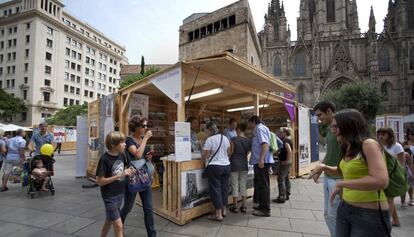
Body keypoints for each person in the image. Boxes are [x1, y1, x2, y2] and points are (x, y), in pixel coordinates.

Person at [310, 109, 390, 237]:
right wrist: (324, 167)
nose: (332, 130)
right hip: (345, 208)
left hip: (368, 213)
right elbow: (342, 171)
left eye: (336, 126)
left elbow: (381, 181)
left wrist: (342, 184)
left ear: (349, 125)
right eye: (332, 127)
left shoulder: (368, 144)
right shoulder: (348, 146)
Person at [119, 117, 156, 237]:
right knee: (128, 207)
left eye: (147, 126)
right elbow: (137, 154)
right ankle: (119, 227)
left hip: (144, 177)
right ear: (136, 127)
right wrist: (146, 138)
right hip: (132, 178)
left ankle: (152, 235)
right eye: (144, 126)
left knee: (149, 208)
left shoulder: (141, 139)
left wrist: (149, 157)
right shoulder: (129, 140)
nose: (146, 128)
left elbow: (143, 157)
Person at [311, 101, 342, 237]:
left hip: (339, 179)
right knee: (328, 215)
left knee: (334, 216)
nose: (319, 118)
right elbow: (330, 153)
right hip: (329, 177)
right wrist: (320, 169)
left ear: (329, 111)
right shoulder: (331, 128)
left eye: (320, 115)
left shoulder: (341, 128)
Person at [96, 131, 134, 237]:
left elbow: (125, 168)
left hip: (119, 194)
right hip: (109, 196)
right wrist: (119, 175)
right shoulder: (104, 159)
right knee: (118, 226)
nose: (125, 144)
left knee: (109, 220)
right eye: (122, 142)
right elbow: (99, 181)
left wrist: (129, 170)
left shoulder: (122, 155)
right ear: (113, 145)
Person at [202, 121, 230, 222]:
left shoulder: (210, 140)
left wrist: (206, 155)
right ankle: (224, 210)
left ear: (209, 130)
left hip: (214, 167)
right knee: (224, 188)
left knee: (216, 189)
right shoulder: (225, 138)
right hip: (226, 165)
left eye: (206, 131)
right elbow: (228, 152)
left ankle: (218, 215)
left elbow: (205, 155)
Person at [376, 127, 404, 227]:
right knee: (388, 199)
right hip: (381, 175)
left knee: (389, 199)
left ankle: (386, 222)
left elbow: (401, 164)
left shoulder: (397, 146)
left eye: (383, 134)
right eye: (379, 134)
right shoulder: (377, 146)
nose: (380, 136)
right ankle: (395, 220)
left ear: (390, 135)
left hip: (392, 177)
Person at [248, 115, 274, 217]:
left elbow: (265, 144)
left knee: (264, 185)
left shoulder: (259, 128)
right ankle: (262, 205)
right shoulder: (259, 128)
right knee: (261, 184)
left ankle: (265, 210)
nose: (249, 125)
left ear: (253, 121)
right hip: (259, 161)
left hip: (262, 162)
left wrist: (261, 159)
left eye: (249, 123)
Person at [228, 123, 251, 213]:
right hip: (244, 164)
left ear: (238, 130)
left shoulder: (233, 139)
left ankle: (235, 207)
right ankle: (244, 206)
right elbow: (248, 152)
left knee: (235, 185)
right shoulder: (248, 141)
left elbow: (230, 152)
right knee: (243, 185)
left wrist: (227, 158)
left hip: (234, 164)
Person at [273, 127, 293, 204]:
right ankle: (287, 194)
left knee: (280, 179)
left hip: (285, 163)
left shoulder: (285, 141)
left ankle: (282, 197)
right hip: (287, 162)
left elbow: (289, 151)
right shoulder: (288, 140)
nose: (279, 134)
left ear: (285, 133)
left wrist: (286, 161)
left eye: (281, 133)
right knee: (286, 178)